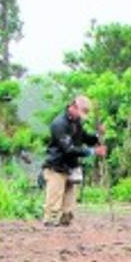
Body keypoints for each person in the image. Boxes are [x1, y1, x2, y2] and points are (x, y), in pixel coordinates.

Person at [41, 96, 107, 226]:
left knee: (68, 208)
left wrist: (98, 135)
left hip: (71, 167)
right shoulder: (59, 124)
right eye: (81, 113)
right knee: (53, 204)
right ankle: (49, 228)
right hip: (56, 167)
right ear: (73, 107)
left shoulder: (77, 123)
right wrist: (92, 152)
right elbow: (68, 149)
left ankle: (65, 228)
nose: (81, 117)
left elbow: (85, 138)